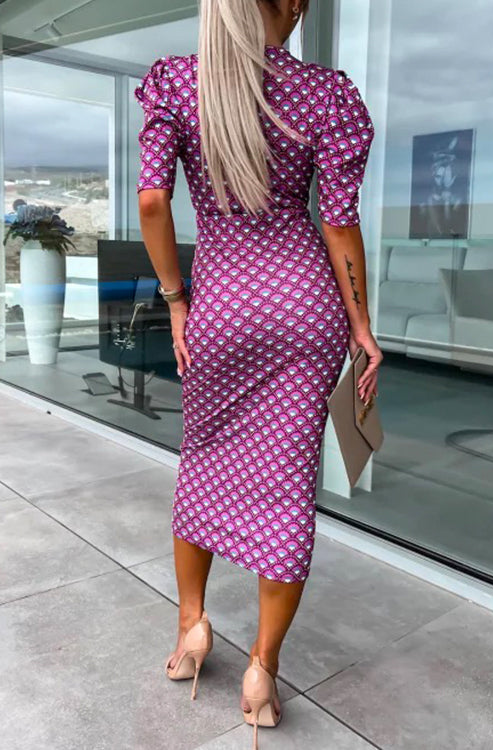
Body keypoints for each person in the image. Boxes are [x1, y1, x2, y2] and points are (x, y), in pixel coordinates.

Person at [135, 0, 383, 746]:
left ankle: (193, 627)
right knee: (286, 486)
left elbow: (153, 202)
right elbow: (338, 221)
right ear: (294, 6)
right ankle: (262, 672)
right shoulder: (326, 93)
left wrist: (177, 302)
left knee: (202, 462)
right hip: (304, 306)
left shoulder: (179, 83)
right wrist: (362, 326)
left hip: (222, 306)